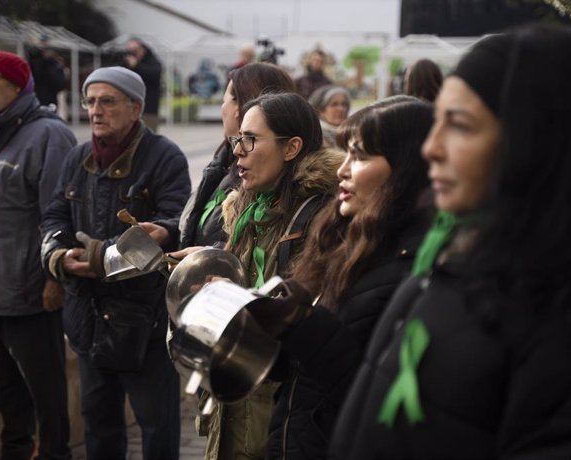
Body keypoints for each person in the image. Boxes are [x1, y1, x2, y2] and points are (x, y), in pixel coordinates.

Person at [329, 23, 571, 459]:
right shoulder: (450, 263)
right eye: (436, 123)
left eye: (460, 126)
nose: (432, 148)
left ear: (537, 143)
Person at [244, 95, 433, 460]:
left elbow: (385, 400)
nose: (342, 170)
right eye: (345, 154)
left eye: (360, 156)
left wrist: (304, 325)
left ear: (406, 170)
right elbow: (306, 374)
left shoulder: (417, 268)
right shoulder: (343, 240)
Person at [40, 66, 190, 460]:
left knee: (157, 428)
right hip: (87, 319)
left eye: (107, 101)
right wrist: (59, 256)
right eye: (90, 101)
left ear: (136, 107)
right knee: (99, 426)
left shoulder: (165, 157)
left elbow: (175, 224)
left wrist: (99, 256)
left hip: (144, 323)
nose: (95, 111)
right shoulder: (76, 157)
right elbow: (54, 215)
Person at [202, 92, 342, 460]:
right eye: (237, 139)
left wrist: (235, 297)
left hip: (279, 407)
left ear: (292, 147)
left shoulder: (321, 219)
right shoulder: (249, 206)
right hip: (238, 395)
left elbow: (303, 317)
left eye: (250, 139)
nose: (237, 151)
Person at [0, 51, 77, 460]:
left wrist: (54, 278)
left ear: (17, 85)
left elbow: (58, 212)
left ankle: (56, 453)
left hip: (29, 292)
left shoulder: (48, 135)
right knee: (9, 392)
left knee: (46, 393)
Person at [174, 62, 296, 257]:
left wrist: (212, 257)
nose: (239, 151)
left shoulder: (267, 179)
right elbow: (196, 222)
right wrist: (167, 230)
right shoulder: (225, 159)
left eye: (225, 101)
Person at [123, 38, 162, 131]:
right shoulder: (126, 62)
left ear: (142, 50)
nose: (132, 53)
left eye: (134, 50)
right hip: (129, 109)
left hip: (148, 110)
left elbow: (154, 74)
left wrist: (136, 66)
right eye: (129, 50)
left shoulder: (152, 61)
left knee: (148, 138)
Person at [29, 36, 67, 108]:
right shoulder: (35, 61)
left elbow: (59, 84)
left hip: (48, 101)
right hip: (37, 99)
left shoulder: (53, 65)